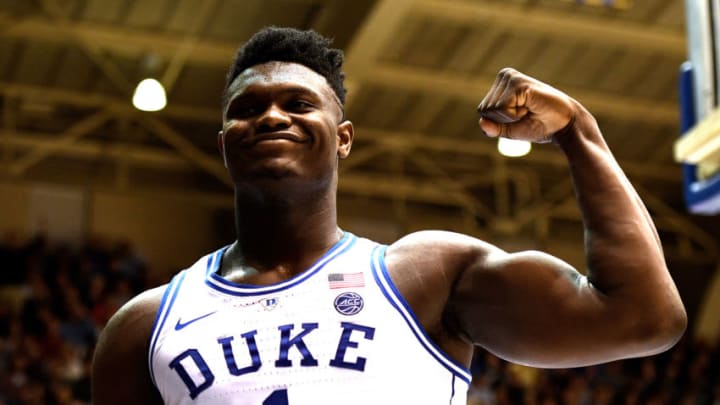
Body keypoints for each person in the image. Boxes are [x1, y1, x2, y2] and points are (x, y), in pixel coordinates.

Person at [91, 27, 687, 404]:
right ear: (223, 145)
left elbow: (645, 317)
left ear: (344, 139)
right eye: (248, 109)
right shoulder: (142, 329)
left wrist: (578, 131)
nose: (272, 117)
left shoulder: (425, 276)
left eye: (298, 104)